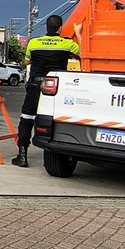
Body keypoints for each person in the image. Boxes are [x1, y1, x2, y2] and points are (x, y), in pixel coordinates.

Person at [13, 15, 79, 167]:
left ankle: (22, 155)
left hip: (36, 86)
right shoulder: (67, 43)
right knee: (56, 119)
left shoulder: (34, 42)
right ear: (60, 28)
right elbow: (82, 52)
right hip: (57, 87)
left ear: (46, 27)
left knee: (27, 118)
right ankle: (56, 154)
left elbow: (27, 60)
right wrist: (78, 33)